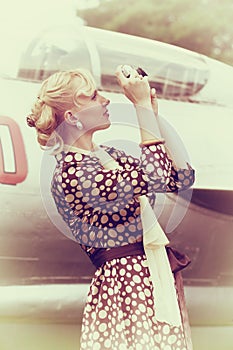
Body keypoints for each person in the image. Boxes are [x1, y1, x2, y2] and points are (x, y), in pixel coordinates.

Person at [27, 66, 195, 350]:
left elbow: (179, 178)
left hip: (148, 279)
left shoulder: (110, 156)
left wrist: (151, 115)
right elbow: (154, 176)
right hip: (125, 287)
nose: (105, 100)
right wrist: (140, 107)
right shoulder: (72, 173)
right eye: (93, 96)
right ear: (72, 118)